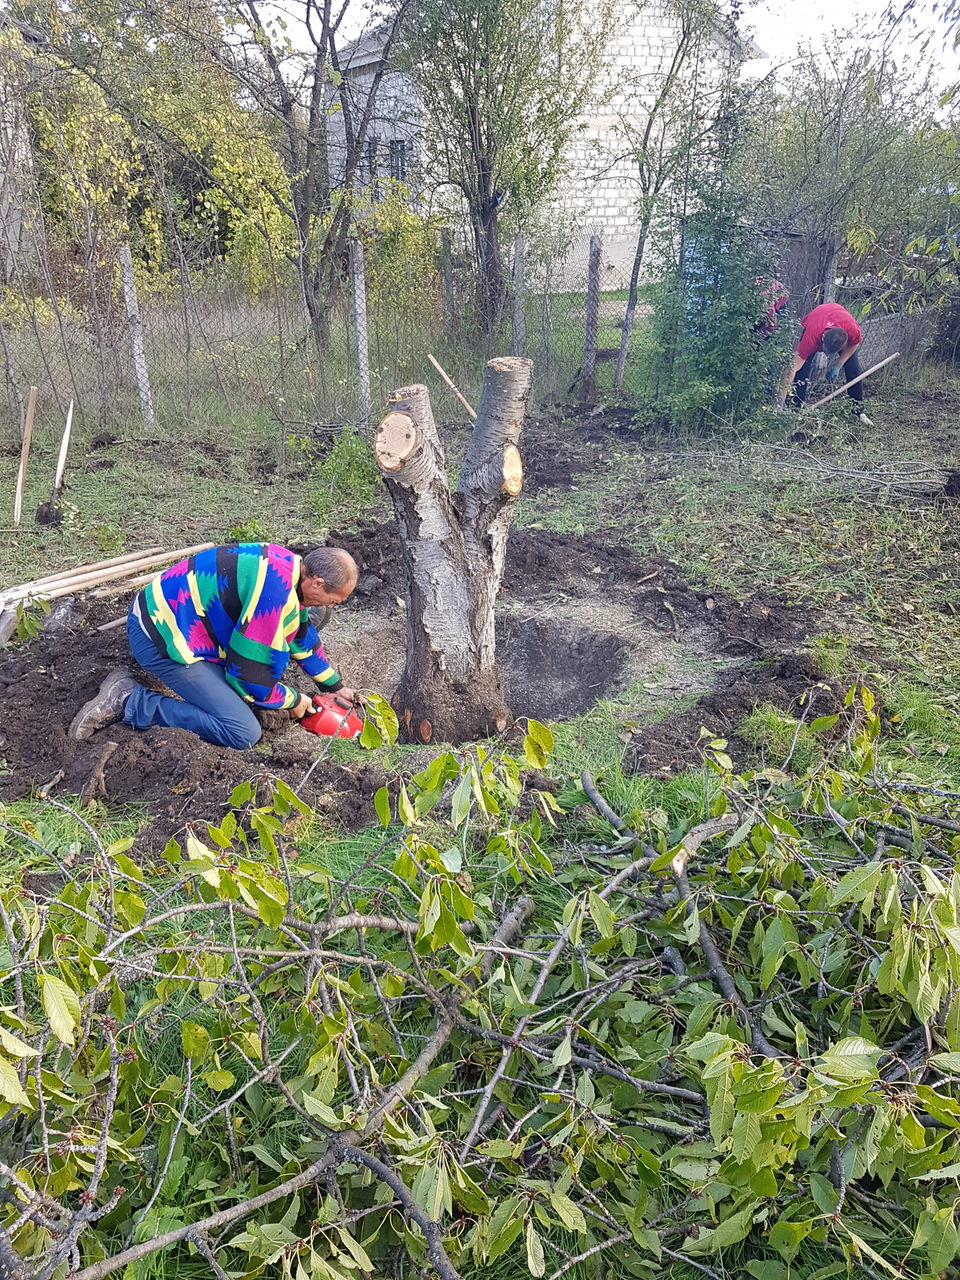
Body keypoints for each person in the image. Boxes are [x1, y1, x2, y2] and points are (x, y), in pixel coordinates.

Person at [69, 543, 359, 749]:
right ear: (318, 583)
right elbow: (248, 676)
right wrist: (293, 700)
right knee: (243, 731)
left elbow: (300, 633)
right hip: (160, 640)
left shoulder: (287, 566)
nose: (332, 606)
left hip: (170, 618)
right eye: (335, 600)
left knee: (253, 685)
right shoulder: (276, 596)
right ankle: (131, 701)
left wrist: (334, 686)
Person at [777, 301, 874, 426]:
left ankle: (858, 411)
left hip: (839, 316)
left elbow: (854, 344)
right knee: (802, 370)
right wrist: (779, 402)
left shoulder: (852, 329)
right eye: (824, 351)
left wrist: (839, 363)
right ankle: (796, 408)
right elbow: (792, 368)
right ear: (822, 338)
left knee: (853, 368)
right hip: (818, 317)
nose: (826, 355)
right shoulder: (812, 335)